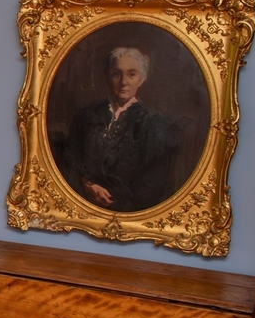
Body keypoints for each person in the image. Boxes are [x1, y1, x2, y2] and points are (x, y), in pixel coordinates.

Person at [61, 47, 180, 212]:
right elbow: (70, 161)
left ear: (142, 78)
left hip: (128, 214)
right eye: (117, 74)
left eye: (132, 74)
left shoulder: (156, 125)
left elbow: (152, 186)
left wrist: (112, 200)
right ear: (107, 77)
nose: (124, 82)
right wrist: (88, 185)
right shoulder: (85, 117)